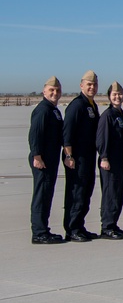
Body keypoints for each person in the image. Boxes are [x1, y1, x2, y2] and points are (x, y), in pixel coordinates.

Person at [62, 70, 101, 242]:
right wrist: (69, 156)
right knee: (76, 193)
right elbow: (67, 134)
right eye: (89, 85)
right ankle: (71, 229)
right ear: (81, 85)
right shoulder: (76, 105)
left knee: (86, 192)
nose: (92, 87)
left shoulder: (91, 105)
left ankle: (79, 225)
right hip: (77, 158)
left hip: (88, 156)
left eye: (94, 85)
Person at [28, 76, 65, 244]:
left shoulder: (54, 110)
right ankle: (39, 232)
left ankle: (44, 229)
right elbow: (35, 134)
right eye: (51, 90)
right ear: (44, 91)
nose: (54, 93)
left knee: (46, 194)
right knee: (41, 195)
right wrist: (37, 156)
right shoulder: (43, 110)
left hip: (50, 159)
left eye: (57, 90)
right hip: (41, 160)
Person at [96, 81, 123, 239]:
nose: (118, 97)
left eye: (120, 94)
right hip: (108, 161)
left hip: (119, 160)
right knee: (110, 193)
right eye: (114, 94)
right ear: (109, 97)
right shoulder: (107, 115)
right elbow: (102, 138)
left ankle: (113, 224)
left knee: (117, 192)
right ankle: (107, 227)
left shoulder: (120, 114)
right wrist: (104, 157)